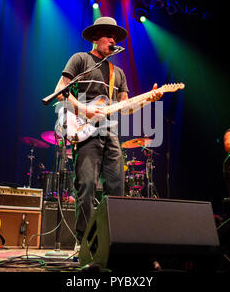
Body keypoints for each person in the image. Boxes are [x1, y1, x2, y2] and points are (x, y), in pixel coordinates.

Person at [54, 17, 162, 248]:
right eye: (108, 35)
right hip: (85, 132)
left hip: (110, 133)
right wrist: (85, 110)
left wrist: (148, 99)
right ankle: (83, 243)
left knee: (116, 188)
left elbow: (126, 107)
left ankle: (107, 242)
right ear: (95, 38)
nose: (113, 40)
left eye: (115, 37)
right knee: (87, 185)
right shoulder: (81, 59)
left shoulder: (118, 73)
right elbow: (60, 91)